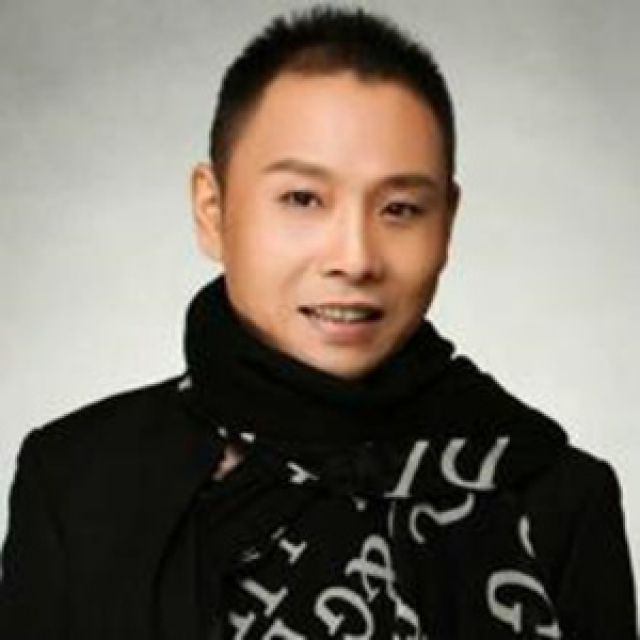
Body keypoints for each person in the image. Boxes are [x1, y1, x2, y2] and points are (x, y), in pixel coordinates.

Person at [0, 5, 636, 639]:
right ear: (213, 211)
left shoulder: (557, 496)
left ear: (447, 222)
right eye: (302, 199)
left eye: (400, 208)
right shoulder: (78, 479)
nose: (355, 258)